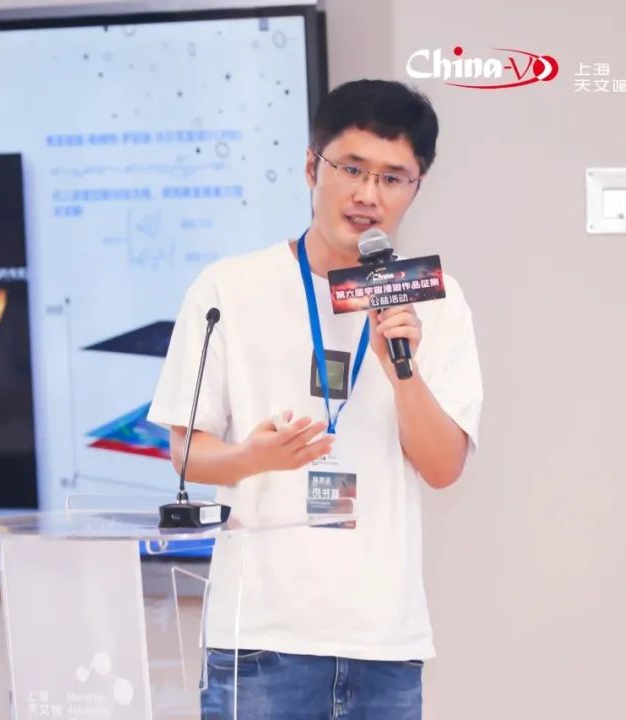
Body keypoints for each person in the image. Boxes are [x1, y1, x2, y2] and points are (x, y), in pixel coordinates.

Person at [147, 79, 483, 719]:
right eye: (351, 169)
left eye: (392, 178)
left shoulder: (433, 299)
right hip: (261, 639)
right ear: (312, 167)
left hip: (384, 645)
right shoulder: (229, 288)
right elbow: (186, 454)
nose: (368, 195)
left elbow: (444, 468)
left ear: (417, 188)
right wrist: (254, 458)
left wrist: (401, 371)